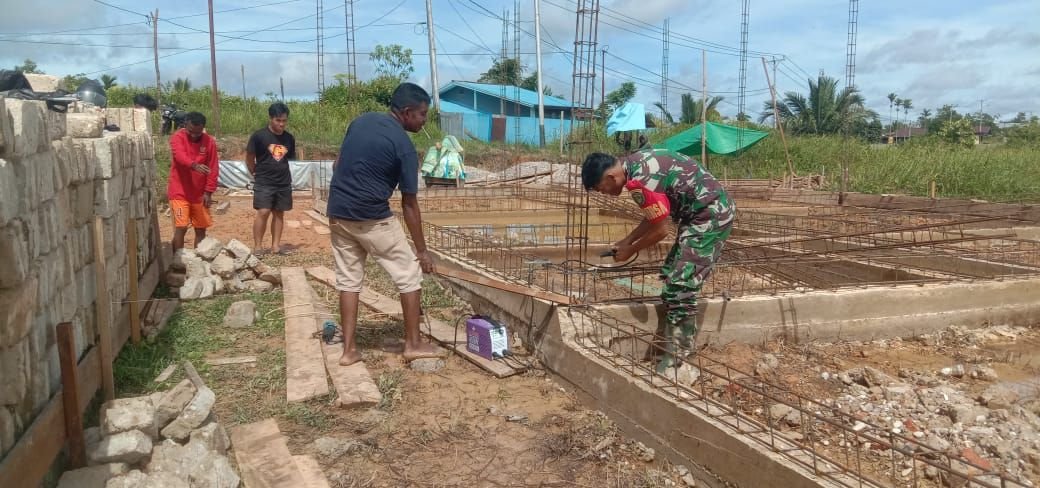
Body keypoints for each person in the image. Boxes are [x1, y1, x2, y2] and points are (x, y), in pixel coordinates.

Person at [581, 148, 734, 374]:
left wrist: (631, 250)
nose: (603, 193)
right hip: (698, 215)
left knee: (680, 286)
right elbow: (655, 215)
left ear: (610, 177)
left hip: (710, 216)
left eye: (600, 188)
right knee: (672, 273)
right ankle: (674, 344)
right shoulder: (635, 166)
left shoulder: (639, 181)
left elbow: (661, 230)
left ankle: (678, 358)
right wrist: (627, 241)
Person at [327, 82, 440, 365]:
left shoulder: (361, 122)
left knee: (348, 280)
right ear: (407, 112)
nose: (424, 121)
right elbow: (409, 204)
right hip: (372, 218)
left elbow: (337, 164)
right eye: (422, 114)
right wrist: (422, 252)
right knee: (409, 275)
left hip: (338, 213)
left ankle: (349, 351)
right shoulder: (404, 147)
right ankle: (413, 344)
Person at [246, 102, 296, 254]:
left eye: (284, 121)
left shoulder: (289, 138)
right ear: (270, 118)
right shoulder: (259, 136)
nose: (281, 124)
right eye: (278, 120)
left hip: (283, 182)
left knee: (279, 213)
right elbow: (250, 157)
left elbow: (287, 158)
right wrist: (254, 172)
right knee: (264, 211)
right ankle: (258, 247)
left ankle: (275, 246)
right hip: (264, 181)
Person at [167, 112, 219, 251]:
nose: (194, 135)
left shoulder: (209, 142)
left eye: (198, 132)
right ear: (185, 125)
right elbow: (179, 156)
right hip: (179, 192)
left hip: (200, 194)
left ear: (203, 128)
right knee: (181, 227)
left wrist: (208, 192)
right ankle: (177, 259)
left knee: (201, 229)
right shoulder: (177, 137)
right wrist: (194, 165)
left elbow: (213, 168)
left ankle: (198, 258)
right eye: (191, 132)